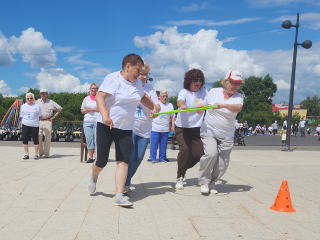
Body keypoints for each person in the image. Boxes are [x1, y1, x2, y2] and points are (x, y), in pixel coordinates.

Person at [87, 53, 157, 207]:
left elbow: (143, 97)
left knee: (123, 161)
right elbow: (100, 97)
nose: (139, 75)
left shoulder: (137, 83)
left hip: (126, 128)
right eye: (137, 71)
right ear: (128, 67)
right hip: (106, 126)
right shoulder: (113, 79)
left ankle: (118, 196)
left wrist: (154, 107)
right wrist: (105, 115)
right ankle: (93, 176)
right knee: (101, 161)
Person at [197, 70, 244, 194]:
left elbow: (238, 108)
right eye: (233, 83)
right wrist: (199, 108)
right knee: (211, 154)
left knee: (222, 163)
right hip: (209, 131)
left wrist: (223, 105)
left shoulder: (239, 97)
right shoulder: (213, 92)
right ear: (226, 81)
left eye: (238, 84)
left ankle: (212, 183)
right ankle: (204, 182)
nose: (235, 86)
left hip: (226, 135)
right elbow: (201, 108)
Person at [124, 62, 160, 193]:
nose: (144, 77)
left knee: (138, 158)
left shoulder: (151, 88)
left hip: (145, 128)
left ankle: (125, 179)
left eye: (146, 74)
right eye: (141, 74)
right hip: (131, 126)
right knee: (131, 155)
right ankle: (125, 183)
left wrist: (156, 110)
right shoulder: (131, 86)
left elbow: (157, 105)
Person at [174, 69, 207, 190]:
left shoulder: (203, 92)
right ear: (189, 80)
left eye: (200, 80)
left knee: (198, 154)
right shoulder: (184, 92)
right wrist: (182, 105)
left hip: (196, 129)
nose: (198, 82)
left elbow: (202, 108)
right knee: (185, 150)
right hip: (182, 127)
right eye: (195, 80)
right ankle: (180, 177)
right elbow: (180, 101)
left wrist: (202, 107)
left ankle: (182, 166)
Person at [150, 90, 175, 163]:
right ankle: (153, 158)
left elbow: (173, 116)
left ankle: (162, 158)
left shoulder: (170, 105)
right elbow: (151, 115)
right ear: (160, 96)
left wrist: (173, 126)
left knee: (163, 144)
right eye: (163, 96)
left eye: (166, 96)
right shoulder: (156, 104)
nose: (165, 98)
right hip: (155, 127)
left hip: (165, 128)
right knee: (154, 144)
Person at [36, 89, 62, 158]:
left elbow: (59, 108)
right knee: (38, 136)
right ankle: (40, 152)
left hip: (48, 121)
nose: (42, 95)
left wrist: (54, 116)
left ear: (47, 94)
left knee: (47, 138)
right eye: (41, 93)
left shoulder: (51, 102)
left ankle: (46, 153)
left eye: (44, 93)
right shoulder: (37, 102)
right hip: (39, 121)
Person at [20, 93, 43, 160]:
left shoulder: (37, 106)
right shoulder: (23, 106)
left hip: (35, 125)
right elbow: (21, 116)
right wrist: (27, 121)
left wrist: (34, 121)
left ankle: (36, 154)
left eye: (31, 98)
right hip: (25, 125)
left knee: (35, 139)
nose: (29, 99)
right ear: (26, 99)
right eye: (28, 98)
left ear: (33, 99)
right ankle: (26, 154)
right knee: (25, 139)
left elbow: (40, 116)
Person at [81, 83, 99, 163]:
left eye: (95, 88)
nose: (93, 90)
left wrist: (94, 110)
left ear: (97, 89)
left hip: (97, 121)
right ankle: (90, 158)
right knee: (89, 139)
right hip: (87, 121)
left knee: (96, 139)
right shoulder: (86, 99)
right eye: (92, 88)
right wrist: (88, 110)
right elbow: (82, 110)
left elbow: (102, 109)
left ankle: (96, 158)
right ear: (90, 89)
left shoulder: (100, 98)